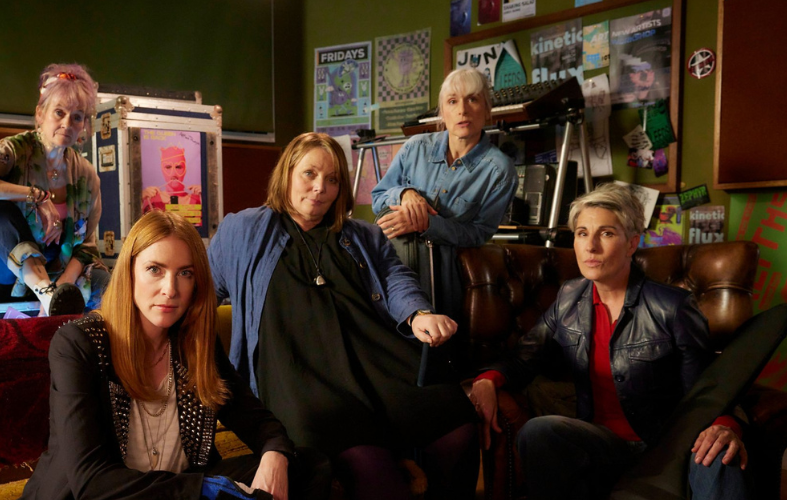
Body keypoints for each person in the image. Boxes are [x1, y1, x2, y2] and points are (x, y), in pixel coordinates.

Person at [208, 132, 480, 500]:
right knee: (372, 469)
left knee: (456, 424)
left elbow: (394, 278)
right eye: (309, 174)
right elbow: (200, 293)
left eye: (333, 179)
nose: (320, 187)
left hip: (373, 364)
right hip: (301, 382)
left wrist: (418, 314)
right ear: (286, 172)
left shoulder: (362, 235)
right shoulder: (243, 230)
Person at [20, 210, 330, 500]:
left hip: (177, 487)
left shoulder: (195, 344)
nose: (170, 289)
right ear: (129, 272)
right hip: (106, 495)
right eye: (155, 269)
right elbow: (93, 483)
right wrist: (205, 490)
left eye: (185, 273)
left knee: (309, 465)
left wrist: (275, 455)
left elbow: (260, 423)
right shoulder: (79, 344)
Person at [469, 183, 750, 500]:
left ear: (632, 243)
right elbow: (524, 358)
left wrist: (726, 425)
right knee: (538, 431)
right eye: (581, 233)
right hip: (601, 443)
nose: (590, 246)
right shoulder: (568, 299)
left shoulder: (672, 307)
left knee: (719, 454)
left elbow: (707, 387)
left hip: (668, 446)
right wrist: (487, 380)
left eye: (606, 234)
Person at [370, 67, 517, 373]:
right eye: (452, 101)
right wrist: (405, 193)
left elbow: (479, 234)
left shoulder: (500, 171)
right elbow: (378, 196)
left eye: (473, 99)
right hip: (393, 265)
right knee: (383, 352)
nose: (462, 110)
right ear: (442, 111)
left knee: (431, 357)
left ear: (487, 108)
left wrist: (427, 224)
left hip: (445, 276)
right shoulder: (414, 148)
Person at [0, 63, 107, 316]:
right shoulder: (14, 150)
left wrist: (64, 284)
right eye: (59, 112)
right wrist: (35, 196)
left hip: (55, 271)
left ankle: (54, 299)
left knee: (104, 281)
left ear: (82, 126)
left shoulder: (87, 175)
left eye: (77, 116)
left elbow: (87, 246)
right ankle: (45, 293)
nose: (67, 123)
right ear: (40, 114)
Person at [141, 145, 202, 213]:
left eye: (178, 167)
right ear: (162, 169)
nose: (173, 174)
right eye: (168, 167)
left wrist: (206, 196)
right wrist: (140, 199)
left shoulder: (198, 200)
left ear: (185, 169)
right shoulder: (151, 200)